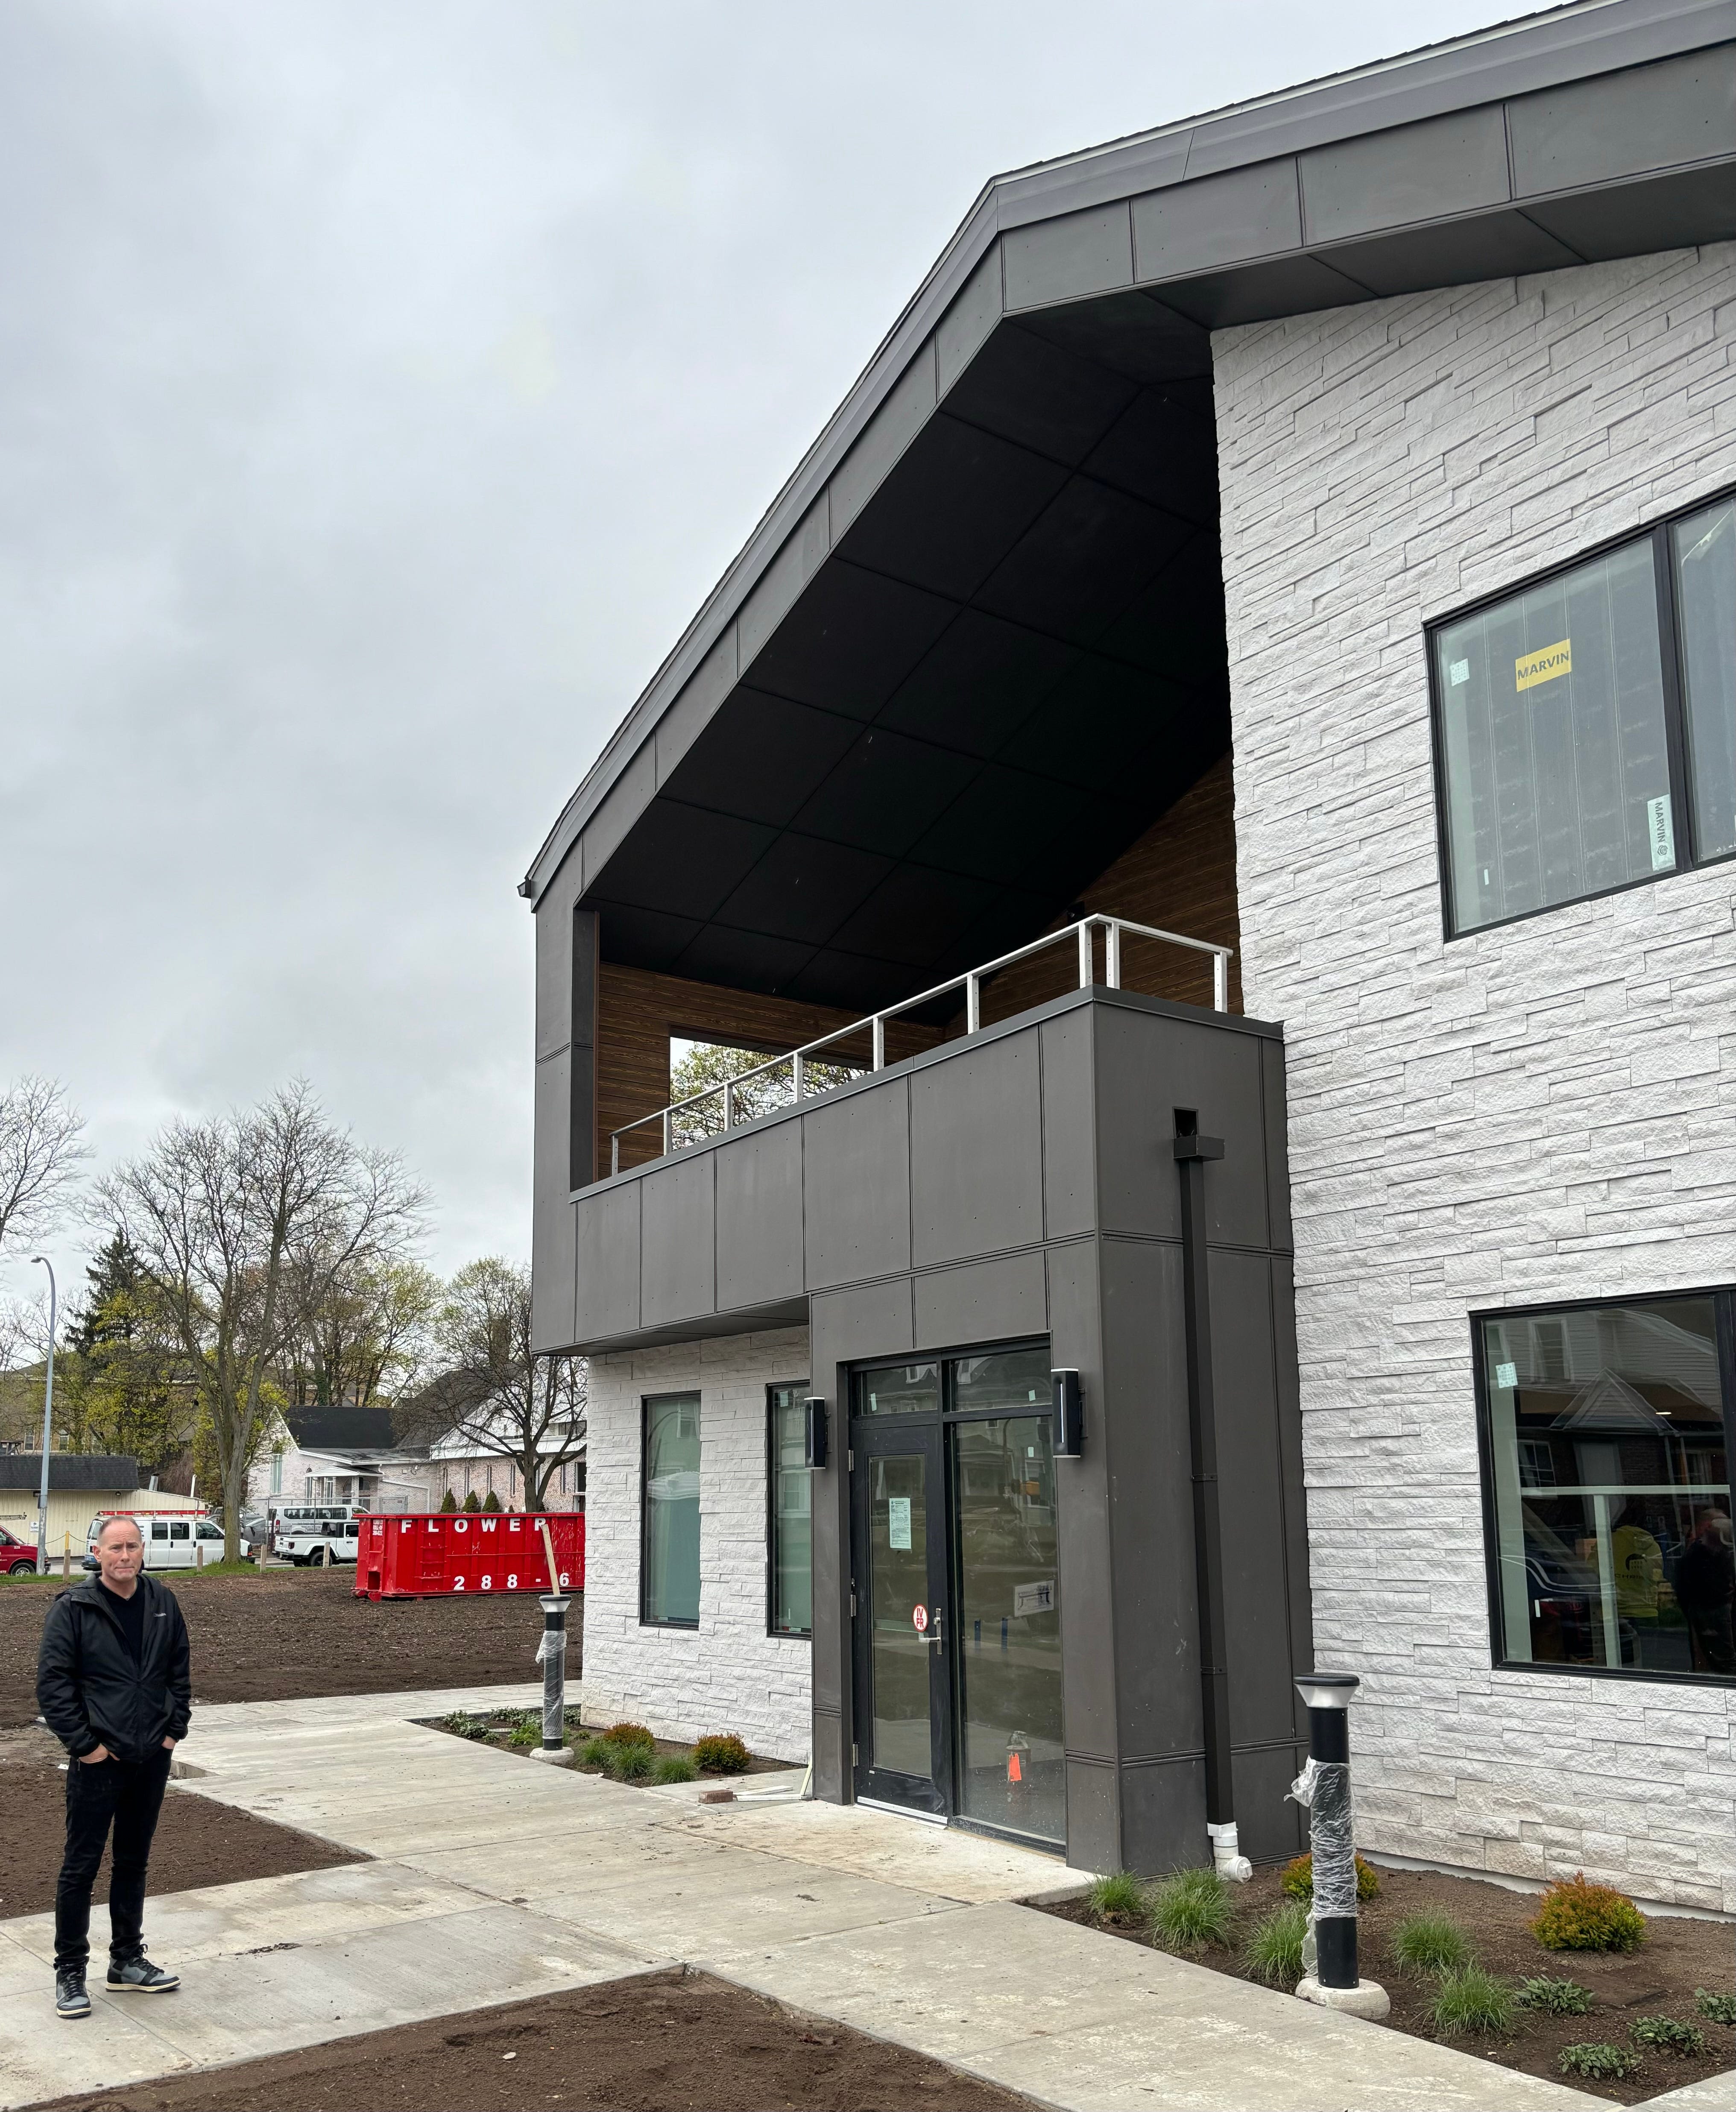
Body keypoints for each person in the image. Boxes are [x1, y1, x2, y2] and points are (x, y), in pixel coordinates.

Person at [36, 1514, 191, 2019]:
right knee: (80, 1866)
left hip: (151, 1759)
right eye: (115, 1548)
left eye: (132, 1547)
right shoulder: (74, 1609)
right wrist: (87, 1748)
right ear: (97, 1554)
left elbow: (179, 1671)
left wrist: (173, 1732)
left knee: (133, 1862)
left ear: (142, 1551)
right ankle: (70, 1970)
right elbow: (53, 1687)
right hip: (99, 1763)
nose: (124, 1556)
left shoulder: (163, 1602)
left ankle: (126, 1961)